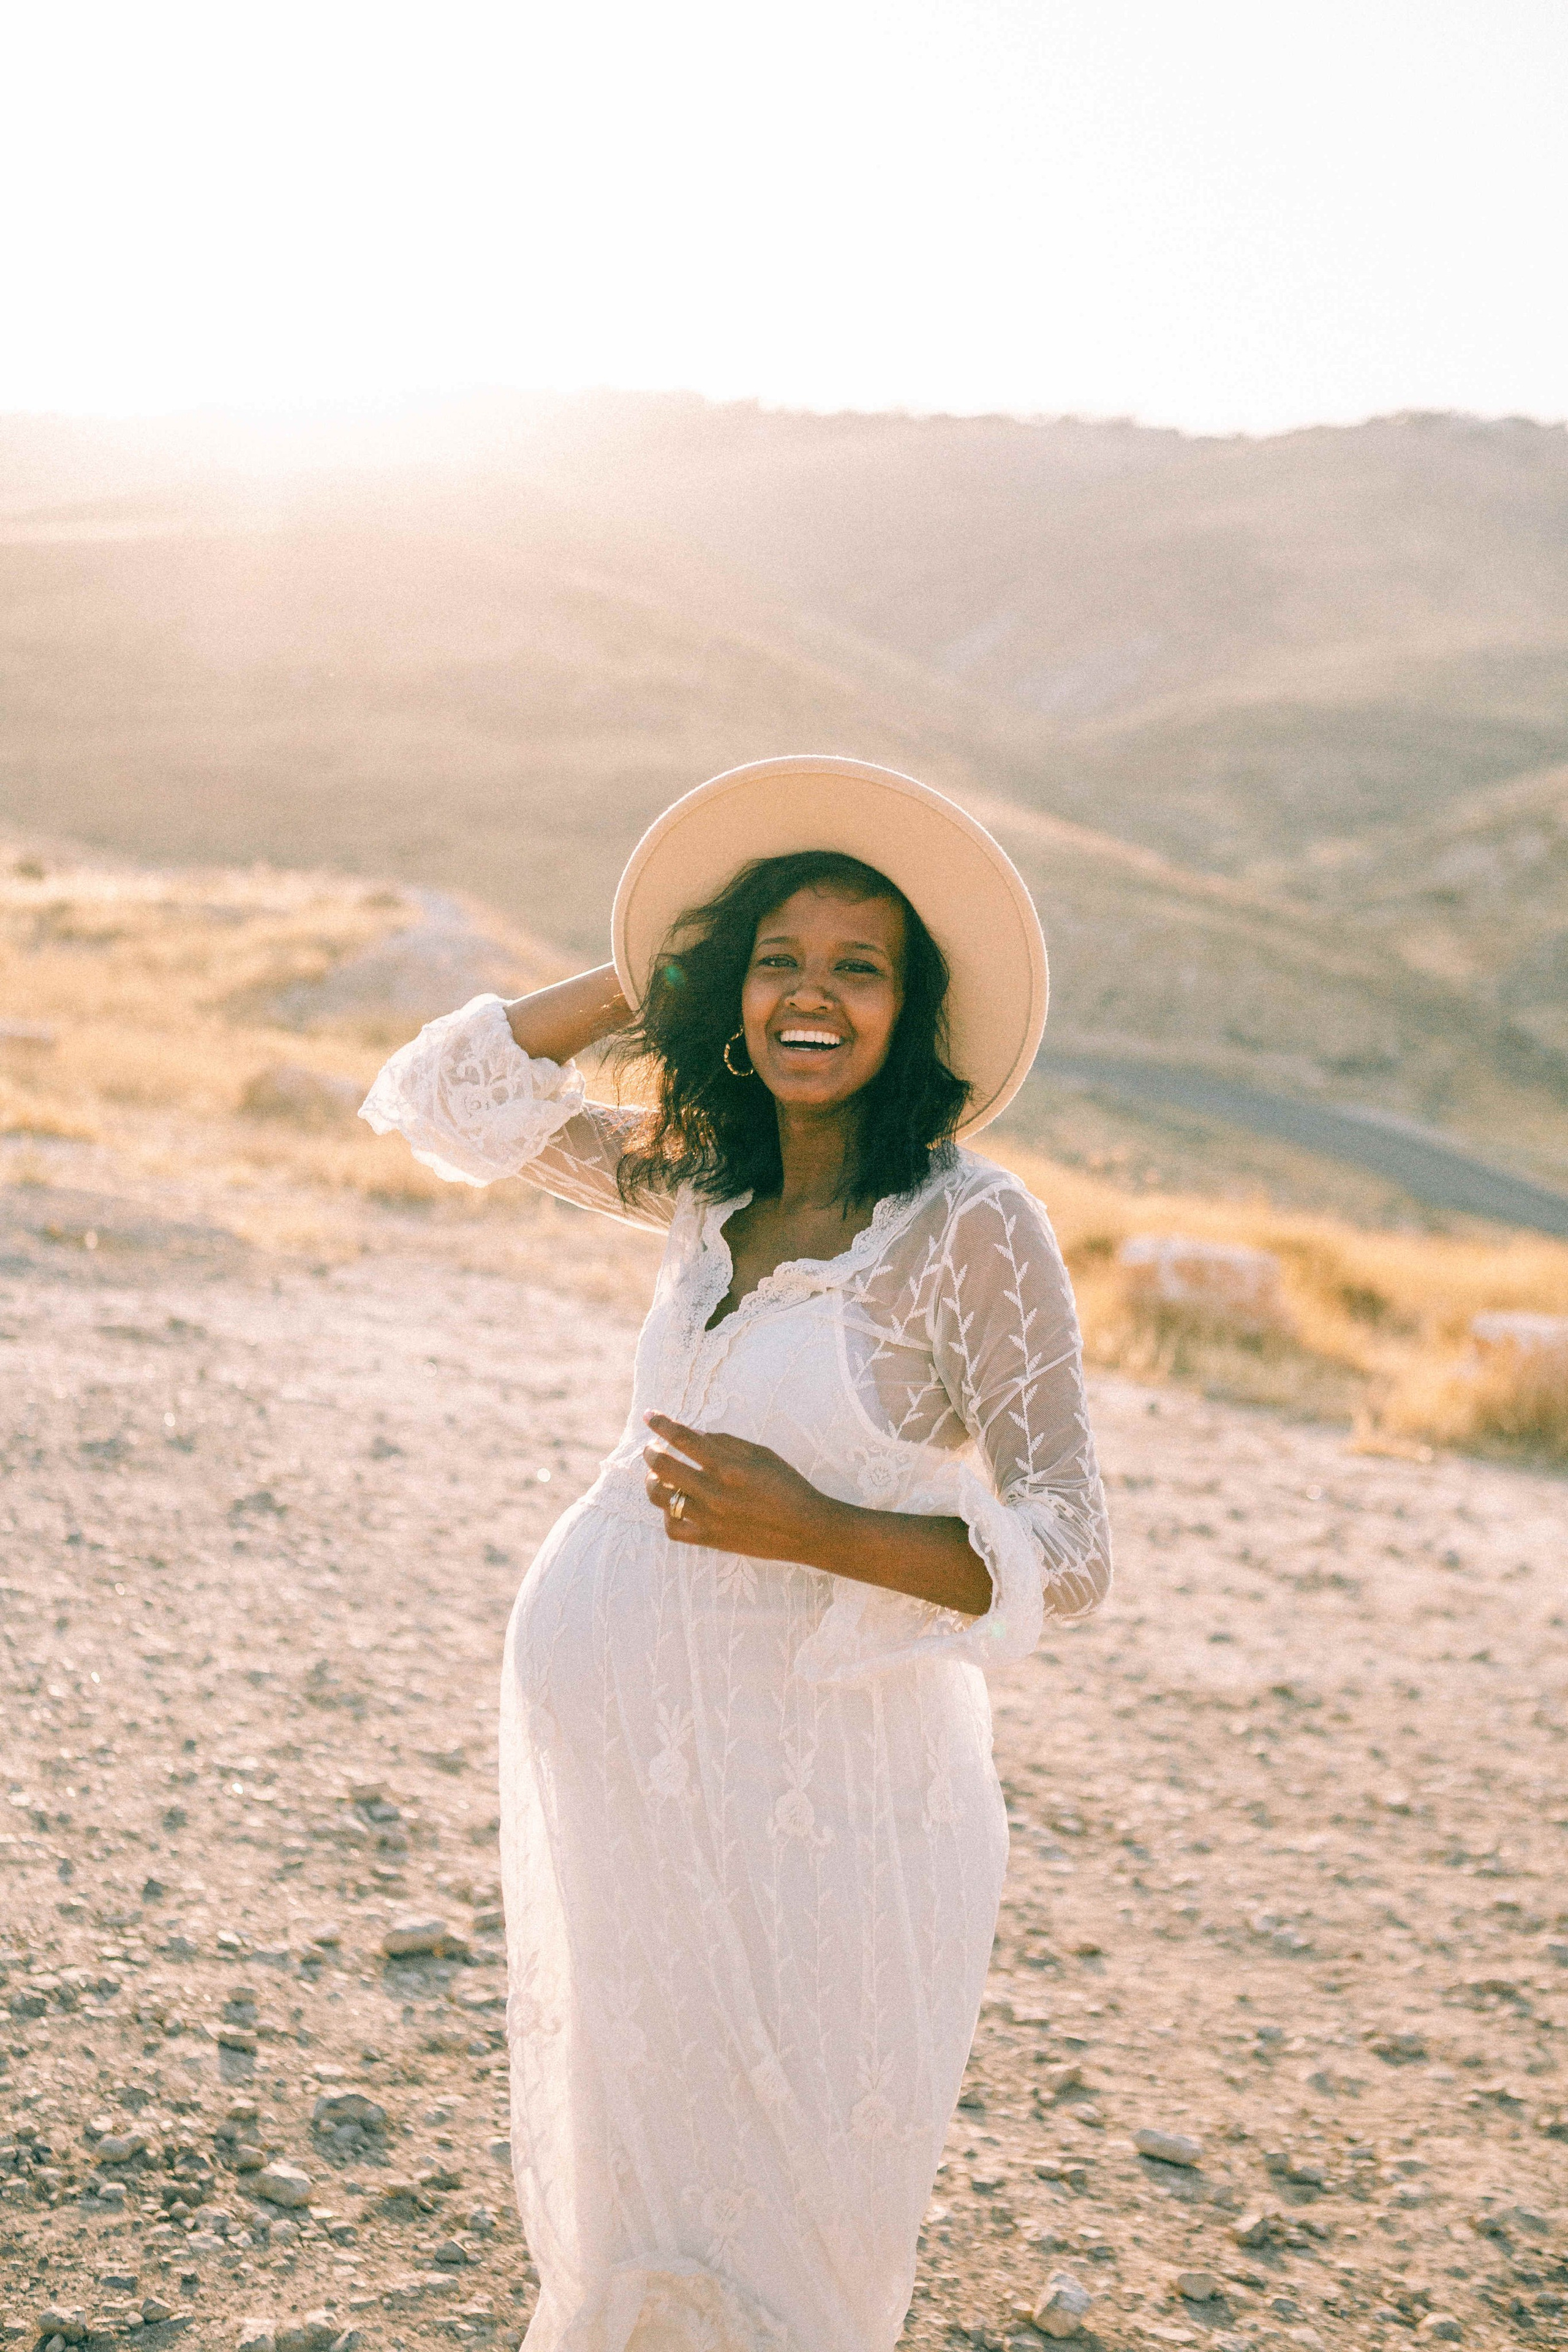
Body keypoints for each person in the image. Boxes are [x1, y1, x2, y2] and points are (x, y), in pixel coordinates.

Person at [361, 755, 1112, 2352]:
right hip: (629, 1777)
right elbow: (448, 1098)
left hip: (827, 1802)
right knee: (642, 2180)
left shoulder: (972, 1229)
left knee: (796, 2220)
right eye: (780, 962)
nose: (814, 996)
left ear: (918, 1011)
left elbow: (1074, 1542)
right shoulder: (708, 1176)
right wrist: (651, 982)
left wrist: (822, 1528)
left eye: (860, 967)